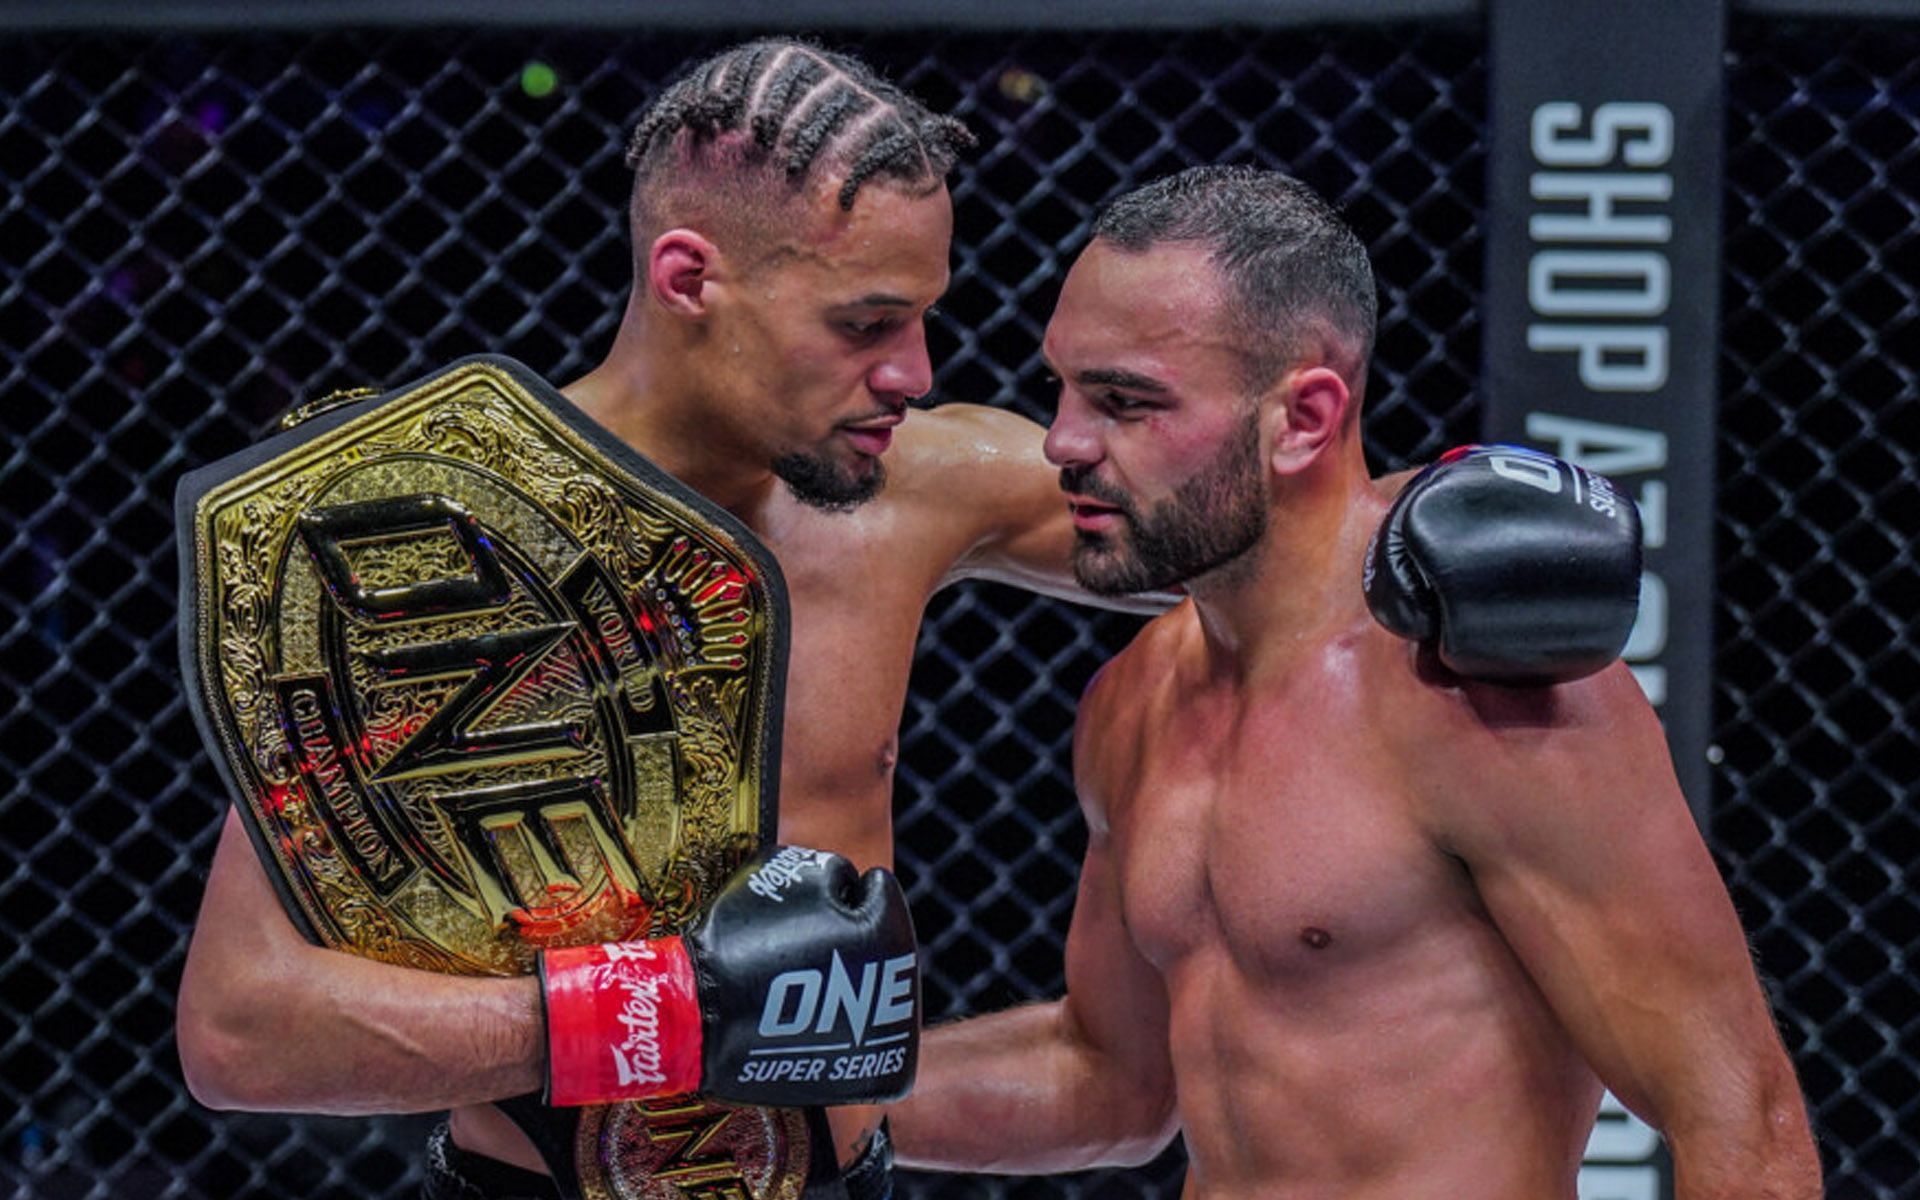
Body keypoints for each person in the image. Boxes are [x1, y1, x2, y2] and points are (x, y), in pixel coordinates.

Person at [172, 42, 1634, 1200]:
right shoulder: (417, 553)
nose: (912, 372)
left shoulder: (914, 488)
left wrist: (1434, 526)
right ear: (693, 280)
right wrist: (665, 1010)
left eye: (924, 320)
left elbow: (1237, 505)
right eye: (866, 324)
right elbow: (243, 1030)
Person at [886, 165, 1823, 1199]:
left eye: (1124, 402)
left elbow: (1744, 1123)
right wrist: (770, 1099)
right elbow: (1110, 1082)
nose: (1062, 441)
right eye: (1063, 387)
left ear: (1303, 417)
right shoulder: (1134, 704)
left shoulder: (1473, 691)